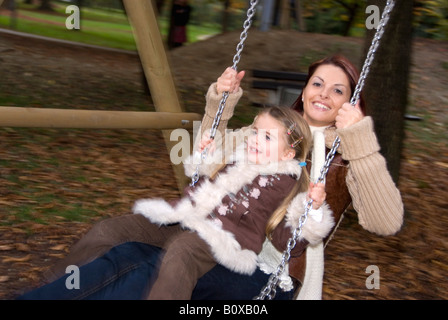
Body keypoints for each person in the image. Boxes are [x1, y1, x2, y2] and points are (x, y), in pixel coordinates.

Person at [19, 55, 404, 300]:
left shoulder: (348, 156)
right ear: (303, 91)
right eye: (317, 83)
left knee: (144, 264)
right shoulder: (264, 129)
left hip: (267, 269)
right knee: (113, 236)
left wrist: (359, 140)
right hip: (208, 229)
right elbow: (207, 156)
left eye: (339, 90)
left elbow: (387, 222)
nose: (324, 93)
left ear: (349, 104)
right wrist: (218, 102)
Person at [19, 101, 334, 300]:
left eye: (266, 137)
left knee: (181, 252)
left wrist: (311, 212)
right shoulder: (237, 164)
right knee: (113, 229)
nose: (253, 139)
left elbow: (284, 239)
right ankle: (50, 286)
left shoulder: (288, 185)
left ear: (288, 153)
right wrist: (202, 161)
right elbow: (200, 193)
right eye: (254, 132)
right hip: (188, 221)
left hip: (224, 243)